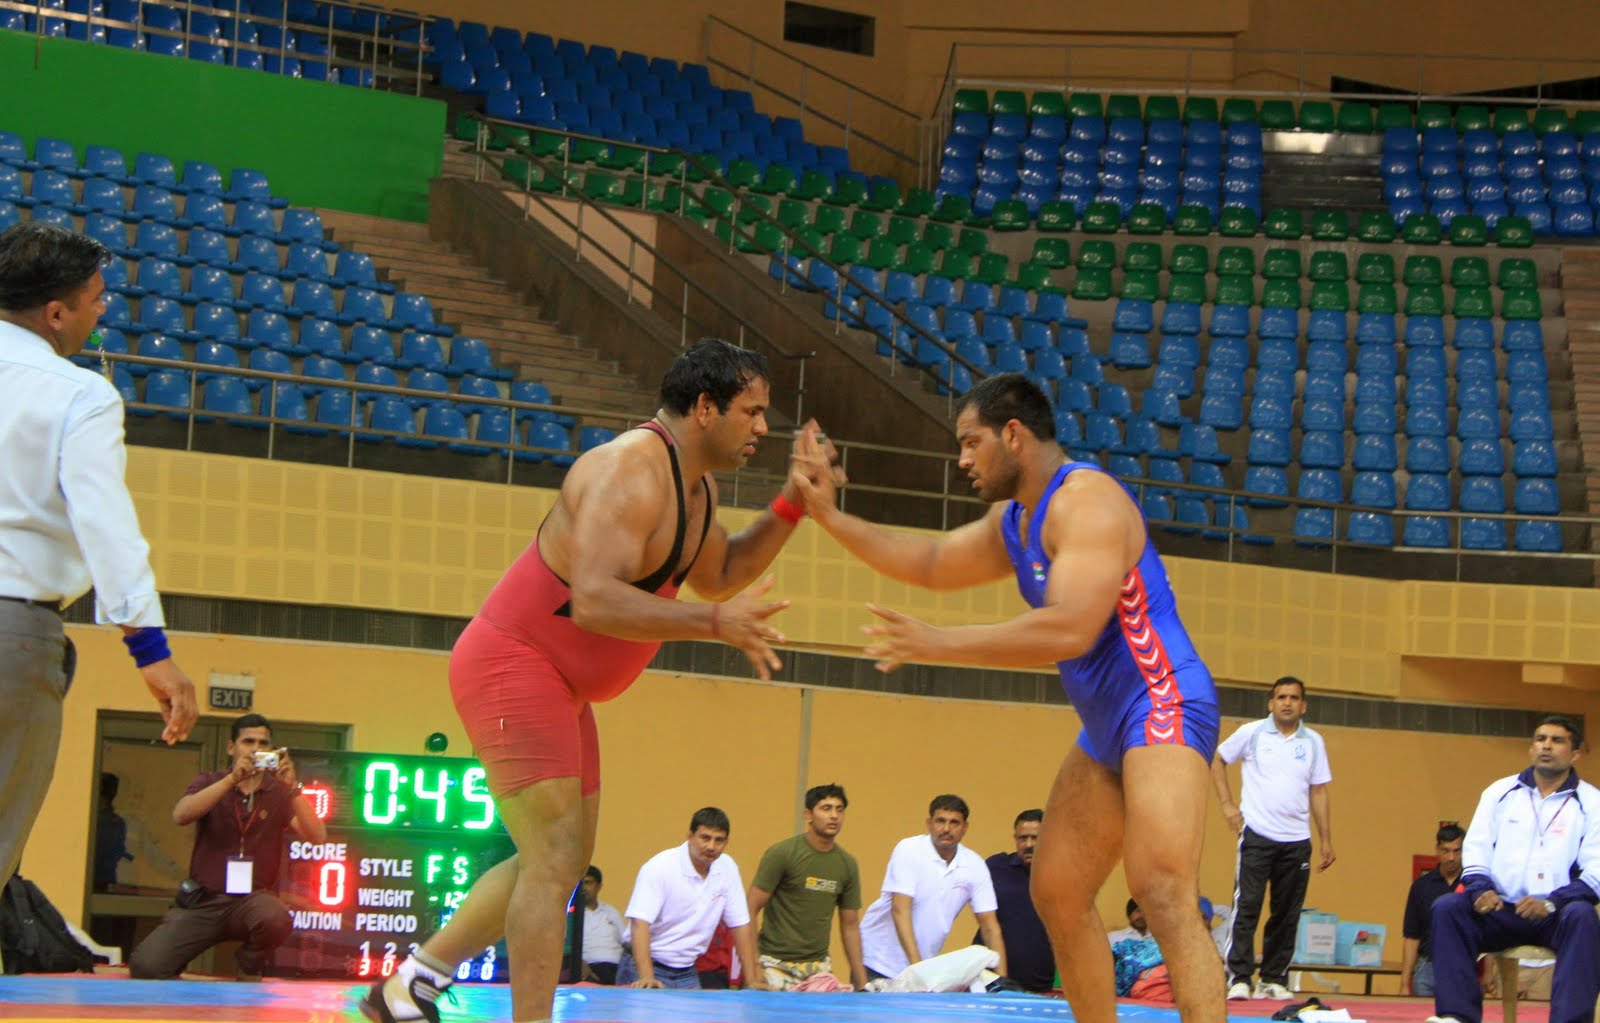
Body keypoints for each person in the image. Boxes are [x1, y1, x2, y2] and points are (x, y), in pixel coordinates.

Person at [365, 339, 837, 1023]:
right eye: (753, 411)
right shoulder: (628, 472)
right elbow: (593, 598)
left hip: (561, 683)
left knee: (556, 859)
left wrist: (793, 504)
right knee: (554, 859)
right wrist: (713, 623)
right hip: (515, 661)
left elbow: (719, 573)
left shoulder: (695, 488)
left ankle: (412, 982)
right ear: (706, 407)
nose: (764, 427)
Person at [788, 372, 1222, 1023]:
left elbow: (1071, 627)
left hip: (1161, 698)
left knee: (1162, 890)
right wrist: (828, 515)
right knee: (1058, 891)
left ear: (1013, 435)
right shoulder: (1015, 520)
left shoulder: (1087, 502)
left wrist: (942, 642)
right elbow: (931, 561)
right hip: (1106, 726)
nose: (962, 459)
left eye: (971, 442)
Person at [0, 223, 196, 900]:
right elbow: (105, 524)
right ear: (56, 313)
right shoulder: (78, 393)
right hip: (11, 633)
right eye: (96, 298)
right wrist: (150, 648)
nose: (103, 309)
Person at [1426, 716, 1599, 1023]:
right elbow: (1477, 848)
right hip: (1500, 909)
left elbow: (1596, 873)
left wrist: (1551, 903)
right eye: (1540, 739)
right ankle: (1457, 1016)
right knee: (1447, 907)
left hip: (1556, 914)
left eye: (1557, 740)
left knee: (1583, 915)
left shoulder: (1591, 802)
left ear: (1575, 754)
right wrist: (1480, 890)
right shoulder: (1500, 792)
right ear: (1531, 749)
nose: (1546, 746)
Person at [127, 714, 326, 980]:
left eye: (263, 743)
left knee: (276, 917)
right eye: (248, 742)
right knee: (146, 966)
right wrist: (232, 780)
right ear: (232, 748)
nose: (256, 749)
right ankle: (178, 971)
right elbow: (181, 815)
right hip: (205, 901)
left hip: (252, 901)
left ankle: (249, 964)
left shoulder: (279, 792)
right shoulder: (210, 781)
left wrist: (293, 788)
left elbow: (317, 837)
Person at [1211, 676, 1335, 1000]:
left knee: (1287, 913)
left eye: (1294, 697)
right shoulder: (1251, 733)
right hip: (1257, 835)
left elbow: (1319, 791)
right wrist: (1227, 805)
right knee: (1247, 906)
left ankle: (1273, 979)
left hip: (1297, 841)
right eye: (1281, 697)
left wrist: (1326, 840)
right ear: (1271, 703)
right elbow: (1217, 759)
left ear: (1303, 705)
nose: (1287, 703)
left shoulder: (1314, 742)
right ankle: (1239, 977)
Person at [858, 795, 1007, 981]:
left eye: (954, 822)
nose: (946, 829)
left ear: (965, 827)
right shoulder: (909, 849)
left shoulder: (974, 865)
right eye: (940, 821)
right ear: (929, 824)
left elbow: (990, 926)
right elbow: (900, 909)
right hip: (877, 960)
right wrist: (919, 970)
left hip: (921, 966)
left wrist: (1002, 981)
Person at [616, 807, 763, 991]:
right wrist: (647, 977)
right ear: (689, 836)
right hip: (642, 966)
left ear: (727, 842)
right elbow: (639, 923)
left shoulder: (728, 868)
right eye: (705, 838)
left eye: (719, 840)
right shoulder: (660, 867)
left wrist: (751, 980)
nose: (711, 846)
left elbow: (740, 925)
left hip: (687, 970)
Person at [747, 783, 866, 990]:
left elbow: (850, 925)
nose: (834, 816)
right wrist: (754, 968)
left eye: (839, 809)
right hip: (773, 963)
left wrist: (862, 983)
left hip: (818, 967)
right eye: (826, 808)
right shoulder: (782, 854)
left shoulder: (847, 864)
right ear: (808, 815)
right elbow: (749, 910)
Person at [979, 809, 1054, 992]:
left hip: (1038, 983)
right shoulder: (996, 866)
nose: (1029, 844)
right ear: (1015, 838)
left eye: (1035, 838)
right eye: (1023, 838)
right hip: (988, 980)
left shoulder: (1061, 874)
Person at [1401, 824, 1465, 996]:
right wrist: (1404, 983)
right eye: (1446, 851)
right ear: (1437, 850)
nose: (1451, 857)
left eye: (1457, 851)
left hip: (1462, 967)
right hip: (1426, 967)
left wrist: (1488, 973)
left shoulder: (1473, 885)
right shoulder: (1421, 886)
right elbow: (1411, 937)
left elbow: (1486, 931)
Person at [578, 865, 624, 985]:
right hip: (589, 968)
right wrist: (579, 964)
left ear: (599, 886)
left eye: (588, 883)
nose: (583, 888)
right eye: (581, 884)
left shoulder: (611, 911)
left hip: (617, 968)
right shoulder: (571, 915)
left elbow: (626, 942)